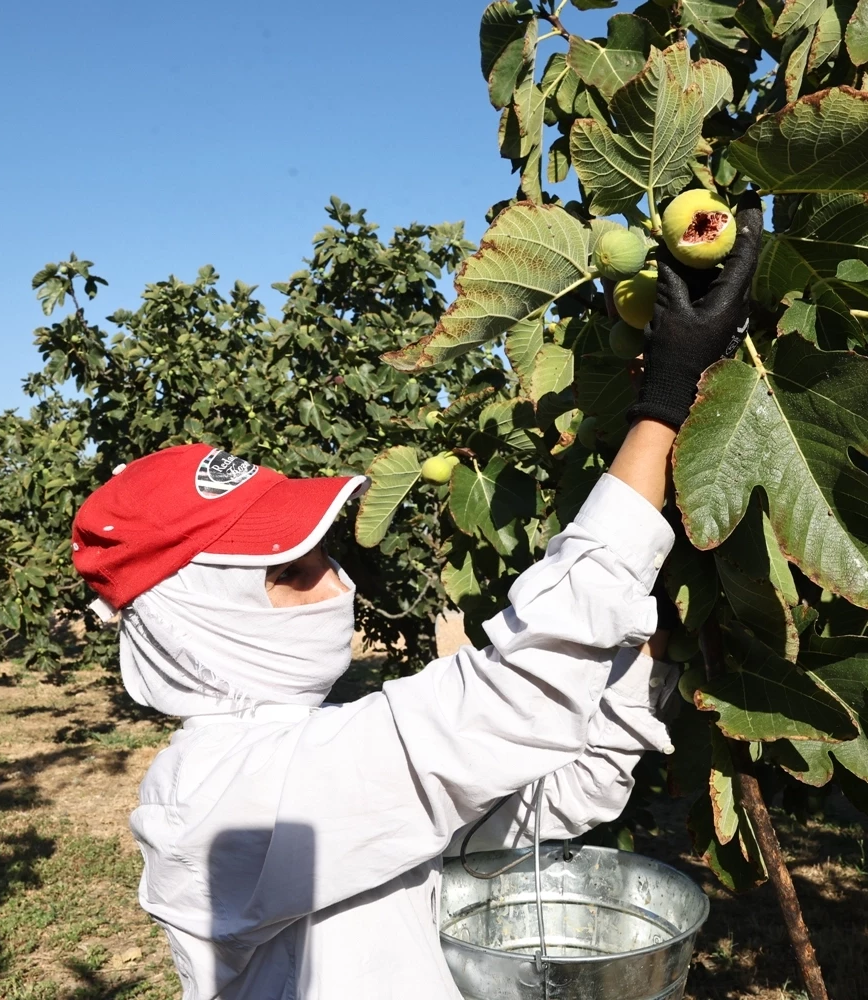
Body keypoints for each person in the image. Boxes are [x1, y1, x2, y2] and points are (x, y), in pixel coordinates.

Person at [70, 199, 763, 999]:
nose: (338, 584)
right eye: (290, 573)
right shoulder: (219, 803)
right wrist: (663, 405)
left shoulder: (313, 755)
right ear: (198, 619)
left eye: (325, 556)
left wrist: (643, 660)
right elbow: (501, 712)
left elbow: (530, 811)